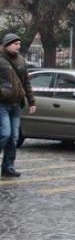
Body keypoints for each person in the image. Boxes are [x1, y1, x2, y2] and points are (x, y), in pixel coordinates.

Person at [0, 33, 36, 178]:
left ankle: (8, 167)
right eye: (16, 44)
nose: (18, 47)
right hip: (2, 104)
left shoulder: (21, 60)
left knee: (14, 137)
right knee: (5, 134)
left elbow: (26, 82)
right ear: (7, 44)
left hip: (16, 105)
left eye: (19, 44)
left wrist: (32, 101)